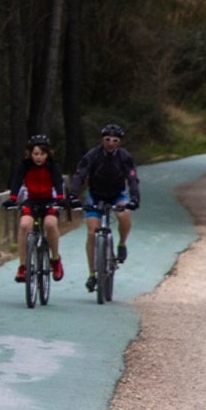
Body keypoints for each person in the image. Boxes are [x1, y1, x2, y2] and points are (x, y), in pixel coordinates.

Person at [70, 123, 140, 293]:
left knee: (124, 215)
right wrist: (73, 195)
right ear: (102, 140)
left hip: (117, 194)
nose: (110, 143)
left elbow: (132, 178)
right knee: (91, 232)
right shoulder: (93, 155)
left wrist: (135, 198)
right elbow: (80, 174)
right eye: (107, 139)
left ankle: (122, 244)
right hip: (96, 195)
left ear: (119, 142)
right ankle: (92, 274)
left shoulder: (124, 157)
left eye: (114, 140)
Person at [6, 134, 66, 282]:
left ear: (47, 154)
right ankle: (22, 266)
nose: (39, 157)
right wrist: (12, 198)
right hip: (31, 201)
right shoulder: (24, 165)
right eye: (36, 154)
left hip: (49, 201)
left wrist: (60, 199)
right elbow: (16, 182)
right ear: (30, 154)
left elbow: (58, 183)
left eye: (42, 154)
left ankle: (55, 259)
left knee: (50, 224)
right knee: (24, 225)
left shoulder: (53, 166)